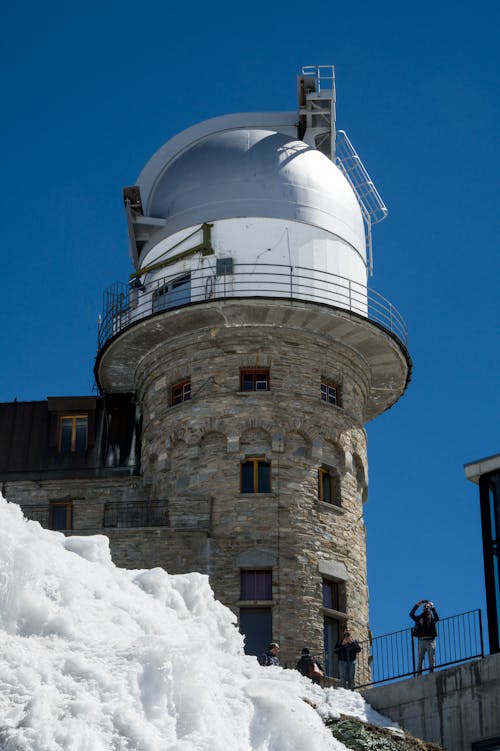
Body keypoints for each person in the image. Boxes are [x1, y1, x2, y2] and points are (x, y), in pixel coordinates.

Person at [409, 600, 439, 674]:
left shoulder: (431, 618)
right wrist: (418, 604)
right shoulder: (420, 618)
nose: (426, 608)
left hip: (430, 641)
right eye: (425, 607)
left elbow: (437, 618)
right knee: (420, 660)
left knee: (431, 659)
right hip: (421, 641)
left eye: (427, 607)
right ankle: (419, 675)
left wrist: (433, 607)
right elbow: (411, 614)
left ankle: (431, 674)